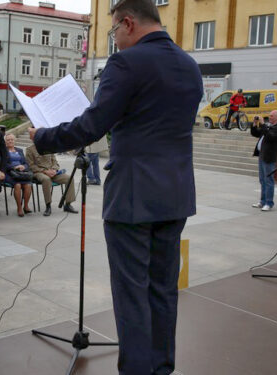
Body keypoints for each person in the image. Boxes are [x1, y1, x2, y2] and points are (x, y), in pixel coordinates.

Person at [28, 1, 203, 373]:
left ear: (128, 22)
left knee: (131, 294)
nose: (115, 40)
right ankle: (160, 368)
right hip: (176, 195)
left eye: (113, 32)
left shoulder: (126, 63)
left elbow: (91, 126)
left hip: (134, 197)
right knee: (163, 290)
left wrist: (41, 137)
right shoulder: (189, 66)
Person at [25, 144, 77, 216]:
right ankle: (48, 206)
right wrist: (45, 171)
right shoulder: (30, 149)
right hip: (39, 172)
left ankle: (68, 204)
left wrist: (54, 170)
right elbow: (31, 166)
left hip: (52, 172)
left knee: (69, 178)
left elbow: (55, 161)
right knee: (46, 179)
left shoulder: (49, 146)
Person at [251, 110, 277, 211]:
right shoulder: (268, 126)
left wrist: (262, 124)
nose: (269, 117)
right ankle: (262, 201)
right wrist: (254, 124)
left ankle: (269, 202)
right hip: (262, 155)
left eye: (272, 116)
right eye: (269, 116)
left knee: (268, 180)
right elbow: (256, 133)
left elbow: (270, 136)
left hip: (269, 157)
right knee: (262, 180)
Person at [3, 134, 32, 217]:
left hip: (21, 173)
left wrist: (23, 166)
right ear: (5, 142)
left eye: (12, 139)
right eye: (8, 140)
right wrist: (14, 167)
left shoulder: (19, 150)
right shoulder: (3, 150)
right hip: (9, 173)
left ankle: (26, 206)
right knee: (18, 185)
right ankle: (19, 208)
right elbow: (3, 164)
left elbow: (26, 163)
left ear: (14, 141)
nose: (10, 141)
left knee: (28, 185)